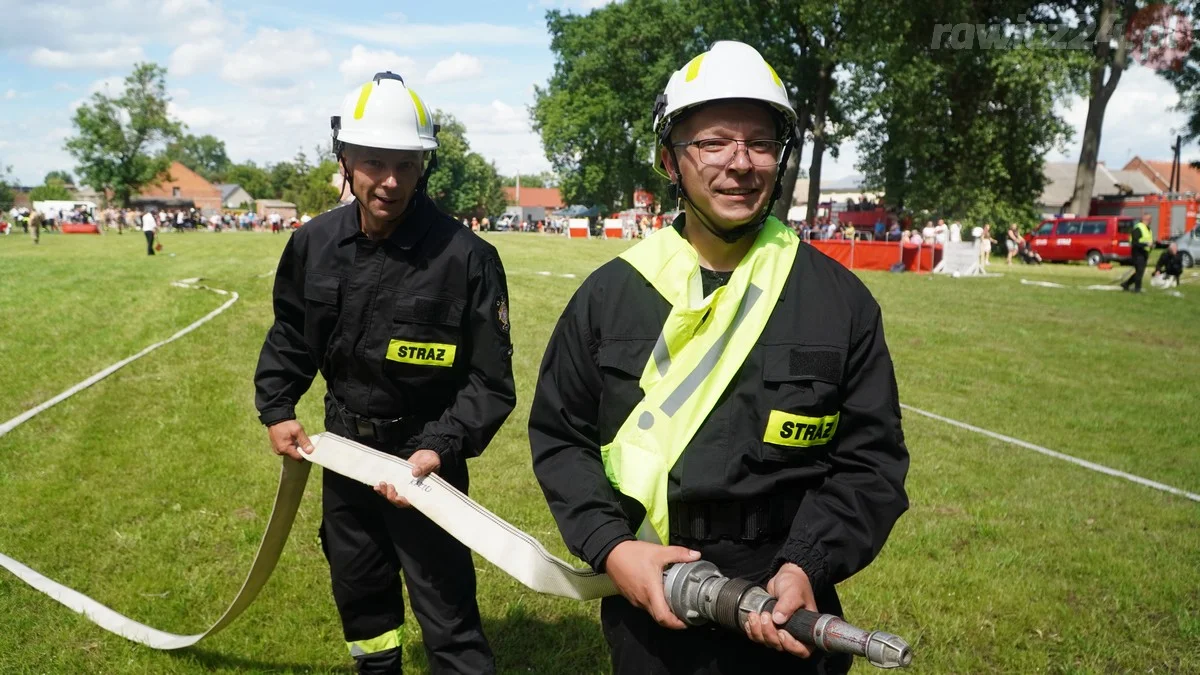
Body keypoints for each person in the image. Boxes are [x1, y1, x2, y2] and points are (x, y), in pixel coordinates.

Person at [528, 41, 909, 675]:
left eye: (760, 143)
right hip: (653, 592)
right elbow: (561, 437)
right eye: (713, 143)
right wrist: (613, 548)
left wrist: (806, 564)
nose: (740, 164)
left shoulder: (838, 301)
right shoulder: (610, 296)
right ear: (670, 159)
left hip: (789, 595)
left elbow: (871, 461)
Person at [254, 71, 516, 674]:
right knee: (361, 595)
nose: (391, 181)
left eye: (407, 163)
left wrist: (437, 449)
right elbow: (292, 334)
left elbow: (490, 382)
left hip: (425, 467)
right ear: (345, 158)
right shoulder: (314, 244)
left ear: (425, 164)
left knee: (446, 611)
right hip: (343, 454)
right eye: (374, 162)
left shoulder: (467, 259)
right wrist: (278, 407)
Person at [1121, 218, 1154, 293]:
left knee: (1140, 272)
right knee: (1139, 271)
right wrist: (1146, 244)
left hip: (1144, 252)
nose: (1150, 221)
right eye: (1148, 219)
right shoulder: (1138, 229)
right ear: (1144, 220)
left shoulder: (1148, 229)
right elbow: (1134, 243)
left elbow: (1148, 240)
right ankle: (1137, 289)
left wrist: (1150, 248)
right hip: (1137, 253)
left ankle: (1126, 284)